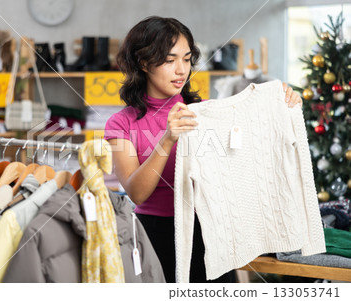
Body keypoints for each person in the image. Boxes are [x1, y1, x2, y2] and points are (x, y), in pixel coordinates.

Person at [104, 16, 302, 283]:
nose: (181, 70)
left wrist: (281, 107)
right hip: (152, 236)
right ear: (144, 62)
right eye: (170, 59)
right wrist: (167, 139)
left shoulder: (206, 113)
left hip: (209, 233)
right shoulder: (121, 123)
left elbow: (246, 163)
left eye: (186, 59)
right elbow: (137, 193)